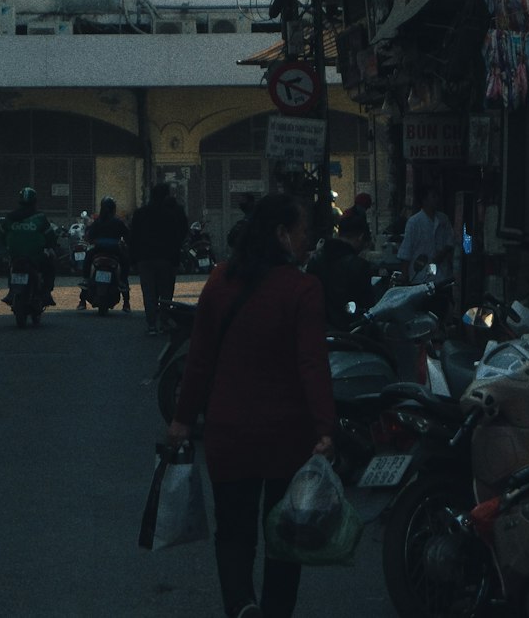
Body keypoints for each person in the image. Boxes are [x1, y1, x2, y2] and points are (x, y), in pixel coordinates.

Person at [168, 194, 335, 618]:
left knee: (235, 533)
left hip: (230, 433)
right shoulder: (303, 289)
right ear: (281, 234)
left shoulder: (220, 281)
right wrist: (326, 429)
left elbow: (198, 360)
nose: (307, 241)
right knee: (284, 537)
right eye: (302, 233)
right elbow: (312, 365)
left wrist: (183, 420)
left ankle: (241, 605)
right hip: (287, 438)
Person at [129, 182, 189, 334]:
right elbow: (176, 238)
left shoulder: (140, 213)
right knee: (166, 292)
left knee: (148, 293)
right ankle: (163, 321)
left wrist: (133, 260)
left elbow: (133, 238)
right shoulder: (170, 214)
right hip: (165, 259)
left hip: (145, 258)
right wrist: (176, 261)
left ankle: (151, 325)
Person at [307, 211, 375, 331]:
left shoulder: (316, 260)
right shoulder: (359, 265)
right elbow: (367, 307)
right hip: (351, 335)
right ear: (360, 237)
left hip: (318, 330)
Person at [0, 187, 58, 306]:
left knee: (11, 267)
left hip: (15, 254)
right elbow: (50, 235)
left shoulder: (10, 217)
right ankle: (46, 292)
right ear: (35, 202)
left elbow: (1, 235)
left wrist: (5, 248)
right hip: (36, 255)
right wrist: (51, 246)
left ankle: (11, 292)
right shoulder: (39, 217)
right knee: (50, 264)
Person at [78, 196, 131, 312]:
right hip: (114, 250)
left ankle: (83, 297)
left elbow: (89, 236)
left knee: (87, 261)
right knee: (124, 266)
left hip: (98, 249)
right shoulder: (117, 222)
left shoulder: (97, 222)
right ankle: (126, 302)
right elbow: (127, 236)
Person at [397, 184, 456, 284]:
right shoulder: (414, 222)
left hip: (442, 276)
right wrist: (404, 275)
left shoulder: (443, 219)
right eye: (433, 196)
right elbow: (406, 251)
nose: (436, 199)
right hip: (420, 277)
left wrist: (443, 253)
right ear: (424, 200)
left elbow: (450, 241)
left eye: (437, 196)